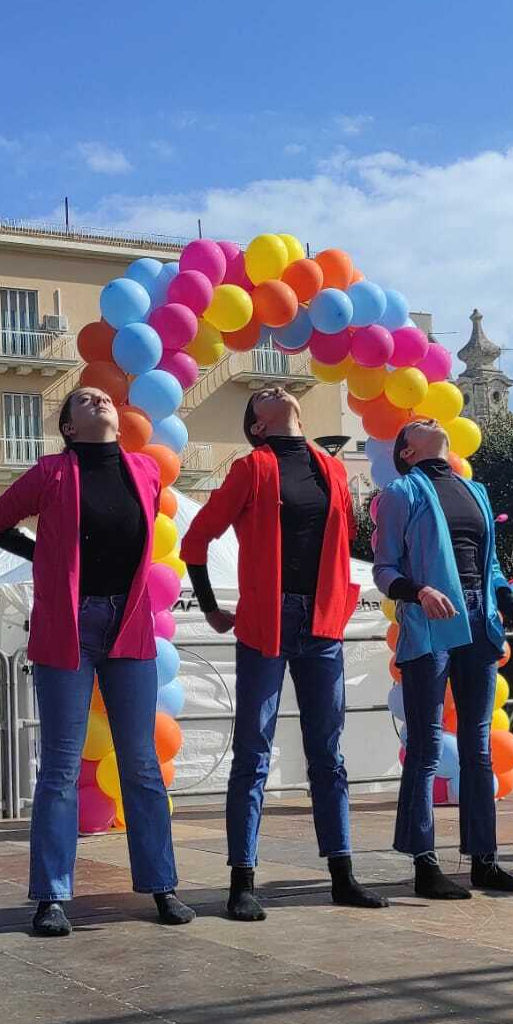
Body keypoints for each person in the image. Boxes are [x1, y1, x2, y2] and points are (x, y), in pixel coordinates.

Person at [0, 385, 190, 936]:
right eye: (84, 400)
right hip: (67, 629)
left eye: (103, 397)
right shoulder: (52, 471)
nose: (98, 400)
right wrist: (44, 557)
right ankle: (51, 896)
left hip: (129, 625)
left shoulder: (145, 471)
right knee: (59, 766)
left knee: (142, 764)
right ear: (69, 427)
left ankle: (161, 885)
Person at [182, 386, 387, 917]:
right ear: (257, 425)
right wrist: (208, 606)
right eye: (258, 398)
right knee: (252, 752)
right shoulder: (252, 467)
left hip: (322, 621)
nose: (269, 390)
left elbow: (342, 546)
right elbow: (196, 540)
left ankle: (342, 873)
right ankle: (241, 881)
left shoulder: (332, 468)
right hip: (264, 623)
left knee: (328, 752)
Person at [374, 414, 513, 899]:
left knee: (479, 746)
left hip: (480, 624)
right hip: (430, 627)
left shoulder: (476, 491)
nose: (429, 418)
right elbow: (384, 569)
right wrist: (418, 590)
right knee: (424, 746)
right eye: (417, 424)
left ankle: (484, 859)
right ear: (407, 451)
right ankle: (425, 864)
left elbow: (491, 567)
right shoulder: (401, 494)